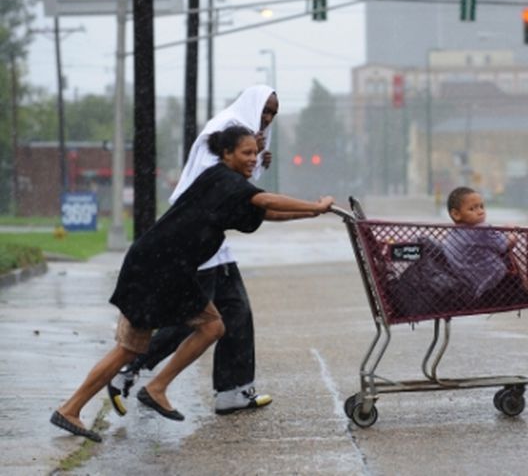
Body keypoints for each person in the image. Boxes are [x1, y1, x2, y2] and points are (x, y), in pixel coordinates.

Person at [51, 125, 334, 443]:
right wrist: (314, 206)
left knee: (134, 347)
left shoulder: (228, 187)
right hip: (159, 267)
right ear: (226, 154)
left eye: (255, 152)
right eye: (246, 153)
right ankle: (146, 391)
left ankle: (78, 407)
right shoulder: (222, 179)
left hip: (161, 266)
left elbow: (265, 211)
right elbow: (265, 198)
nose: (254, 159)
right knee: (204, 329)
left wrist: (311, 214)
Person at [107, 85, 279, 416]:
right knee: (193, 319)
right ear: (252, 105)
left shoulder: (248, 135)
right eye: (265, 110)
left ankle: (233, 390)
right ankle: (129, 369)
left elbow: (238, 186)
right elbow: (213, 181)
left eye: (272, 114)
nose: (268, 118)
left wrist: (257, 162)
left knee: (235, 310)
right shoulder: (224, 128)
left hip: (212, 238)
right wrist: (312, 208)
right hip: (193, 235)